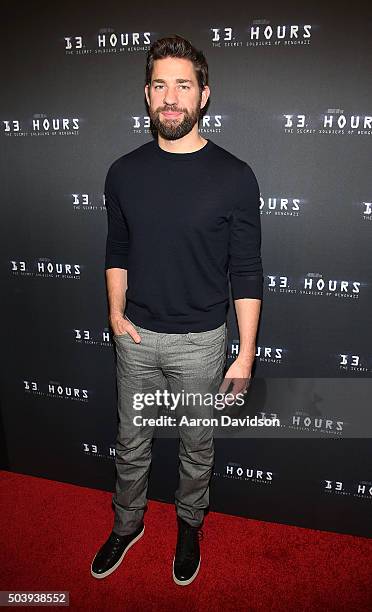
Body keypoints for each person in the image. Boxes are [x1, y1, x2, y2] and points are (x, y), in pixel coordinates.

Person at [91, 34, 263, 586]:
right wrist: (116, 315)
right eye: (160, 85)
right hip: (135, 336)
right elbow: (116, 249)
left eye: (182, 85)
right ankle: (127, 524)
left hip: (202, 341)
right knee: (131, 442)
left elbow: (247, 271)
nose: (171, 97)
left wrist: (245, 357)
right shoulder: (122, 172)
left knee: (197, 446)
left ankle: (190, 524)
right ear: (146, 95)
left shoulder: (236, 176)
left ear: (203, 95)